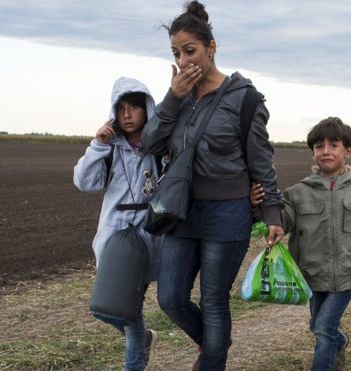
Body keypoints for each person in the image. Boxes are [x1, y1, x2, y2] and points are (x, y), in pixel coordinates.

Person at [140, 2, 284, 369]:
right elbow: (151, 142)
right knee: (171, 298)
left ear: (211, 47)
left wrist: (271, 212)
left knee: (214, 300)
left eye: (191, 50)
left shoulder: (245, 98)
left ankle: (212, 358)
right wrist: (172, 97)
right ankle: (216, 345)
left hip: (227, 212)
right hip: (180, 211)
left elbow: (261, 161)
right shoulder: (178, 96)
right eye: (176, 53)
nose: (184, 59)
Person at [278, 117, 351, 371]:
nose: (326, 151)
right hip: (311, 272)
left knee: (324, 329)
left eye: (334, 145)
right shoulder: (297, 193)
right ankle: (342, 340)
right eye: (319, 146)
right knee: (317, 326)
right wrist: (259, 206)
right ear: (312, 152)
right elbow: (281, 223)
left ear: (348, 151)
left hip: (347, 274)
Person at [73, 77, 160, 370]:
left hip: (146, 241)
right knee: (106, 307)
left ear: (147, 109)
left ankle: (133, 362)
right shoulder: (109, 149)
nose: (127, 114)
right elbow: (84, 182)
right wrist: (98, 145)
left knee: (129, 310)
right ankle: (144, 337)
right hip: (112, 241)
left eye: (134, 107)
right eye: (121, 108)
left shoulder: (158, 148)